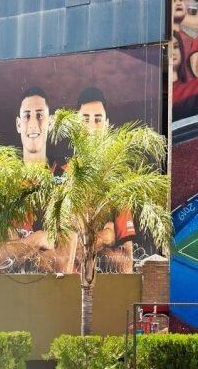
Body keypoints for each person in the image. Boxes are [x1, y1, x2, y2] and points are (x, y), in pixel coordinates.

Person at [0, 88, 77, 274]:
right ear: (19, 124)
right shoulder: (3, 183)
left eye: (40, 115)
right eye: (27, 116)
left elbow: (63, 262)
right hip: (11, 297)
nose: (33, 123)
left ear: (50, 122)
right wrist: (38, 239)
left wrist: (17, 249)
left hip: (53, 297)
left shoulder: (67, 180)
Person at [75, 88, 135, 274]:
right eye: (85, 120)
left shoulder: (117, 184)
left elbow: (127, 263)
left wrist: (87, 245)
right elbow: (52, 255)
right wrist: (106, 237)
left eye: (98, 120)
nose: (92, 127)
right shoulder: (60, 177)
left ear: (107, 124)